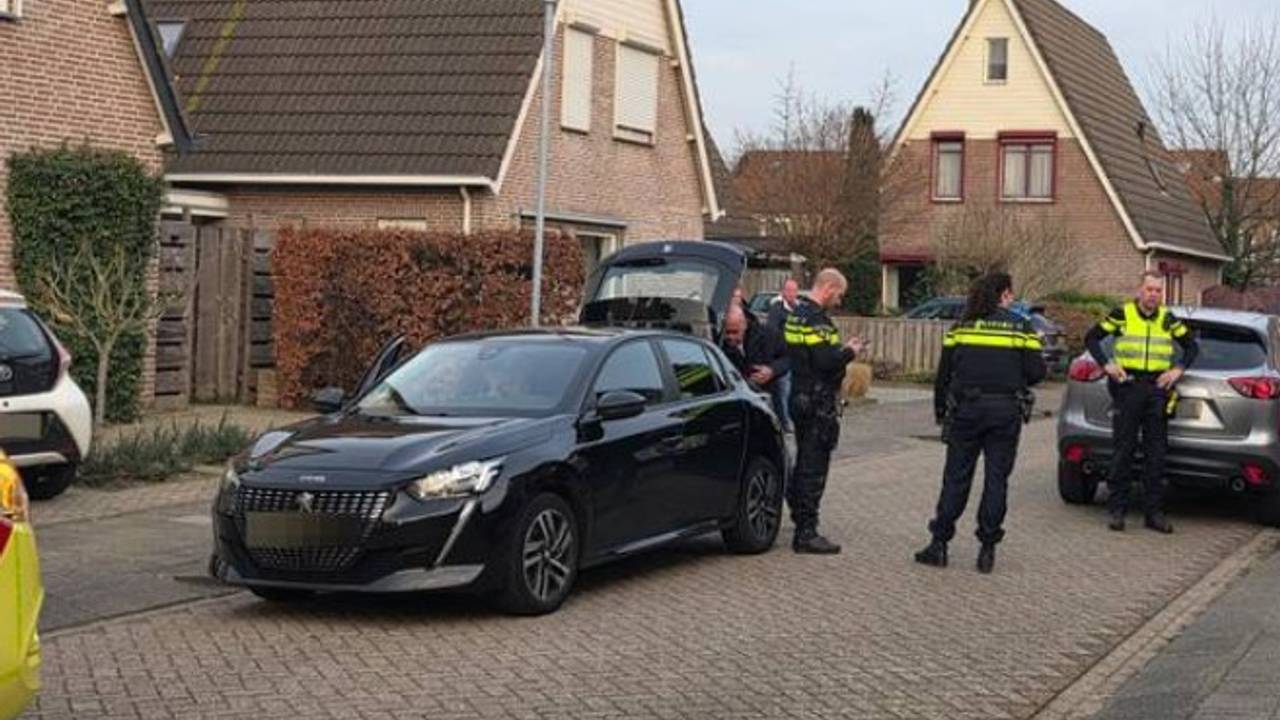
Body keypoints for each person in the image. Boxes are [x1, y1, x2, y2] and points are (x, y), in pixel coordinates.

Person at [914, 272, 1046, 574]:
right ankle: (987, 550)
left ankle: (939, 545)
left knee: (956, 478)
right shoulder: (1021, 327)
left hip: (966, 411)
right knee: (996, 480)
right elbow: (1037, 372)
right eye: (1010, 293)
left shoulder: (962, 326)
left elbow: (943, 374)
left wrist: (940, 413)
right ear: (1004, 295)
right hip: (1005, 411)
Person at [1084, 271, 1198, 534]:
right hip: (1128, 387)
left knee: (1155, 453)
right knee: (1123, 450)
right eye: (1149, 289)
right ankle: (1117, 510)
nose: (1153, 295)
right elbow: (1092, 338)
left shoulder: (1168, 319)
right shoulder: (1123, 314)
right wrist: (1107, 365)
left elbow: (1191, 347)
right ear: (1140, 291)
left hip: (1157, 388)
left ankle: (1153, 513)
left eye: (1158, 290)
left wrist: (1177, 370)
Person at [784, 269, 867, 554]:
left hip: (798, 395)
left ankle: (800, 515)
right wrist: (849, 352)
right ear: (829, 288)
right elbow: (825, 361)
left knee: (804, 458)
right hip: (818, 401)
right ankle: (806, 531)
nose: (839, 301)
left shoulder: (796, 315)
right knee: (814, 466)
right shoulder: (818, 321)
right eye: (839, 294)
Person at [721, 304, 790, 394]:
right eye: (727, 332)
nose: (731, 337)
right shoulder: (720, 344)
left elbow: (789, 357)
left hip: (770, 391)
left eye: (735, 332)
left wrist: (772, 370)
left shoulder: (769, 335)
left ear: (745, 325)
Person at [766, 279, 802, 432]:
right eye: (789, 291)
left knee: (797, 391)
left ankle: (797, 419)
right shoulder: (777, 310)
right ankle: (786, 422)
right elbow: (773, 331)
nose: (791, 294)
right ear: (783, 292)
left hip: (800, 358)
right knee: (784, 391)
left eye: (794, 291)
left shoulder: (801, 308)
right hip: (784, 357)